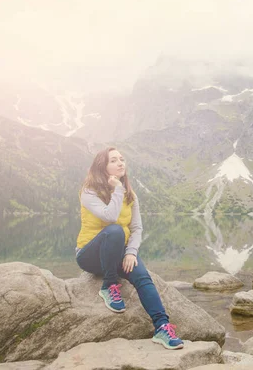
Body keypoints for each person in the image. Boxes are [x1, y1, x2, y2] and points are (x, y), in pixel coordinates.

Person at [75, 147, 184, 350]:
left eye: (122, 159)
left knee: (142, 277)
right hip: (89, 255)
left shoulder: (130, 195)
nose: (120, 163)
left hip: (117, 252)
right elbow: (110, 217)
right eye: (113, 160)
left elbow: (136, 228)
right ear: (102, 167)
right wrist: (117, 188)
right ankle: (109, 285)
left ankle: (162, 327)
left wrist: (131, 252)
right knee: (115, 230)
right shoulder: (88, 192)